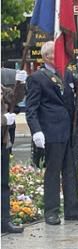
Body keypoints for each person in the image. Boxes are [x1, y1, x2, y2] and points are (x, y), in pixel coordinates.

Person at [25, 41, 78, 225]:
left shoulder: (67, 74)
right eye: (58, 54)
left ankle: (72, 210)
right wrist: (36, 131)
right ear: (48, 57)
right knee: (53, 173)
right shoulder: (37, 78)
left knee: (71, 172)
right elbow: (31, 108)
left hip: (70, 130)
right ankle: (51, 212)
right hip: (51, 130)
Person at [1, 70, 26, 233]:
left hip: (2, 143)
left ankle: (4, 220)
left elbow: (14, 99)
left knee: (3, 184)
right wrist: (3, 120)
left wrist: (20, 84)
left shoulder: (1, 87)